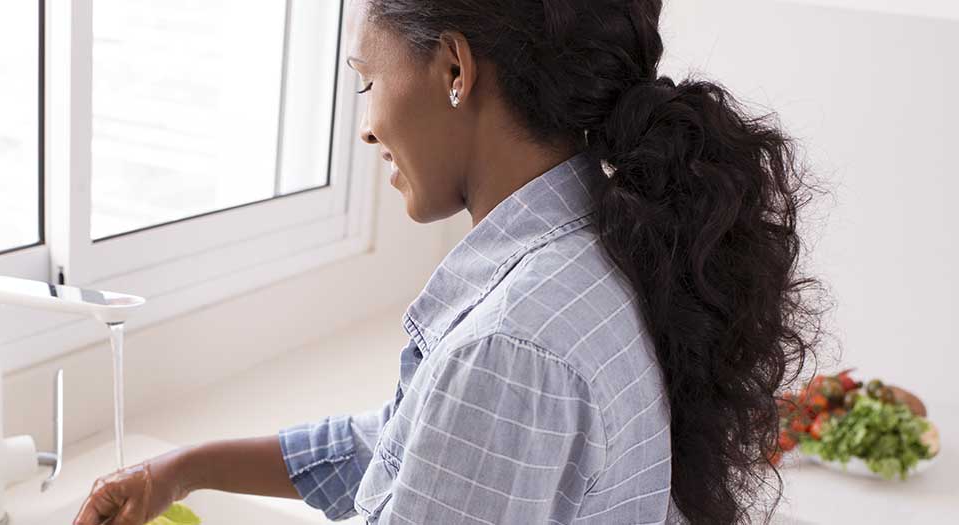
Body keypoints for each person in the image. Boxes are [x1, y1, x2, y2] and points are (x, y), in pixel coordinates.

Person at [74, 0, 822, 523]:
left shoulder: (510, 348)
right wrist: (181, 467)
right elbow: (409, 448)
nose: (366, 129)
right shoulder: (600, 249)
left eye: (368, 80)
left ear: (456, 68)